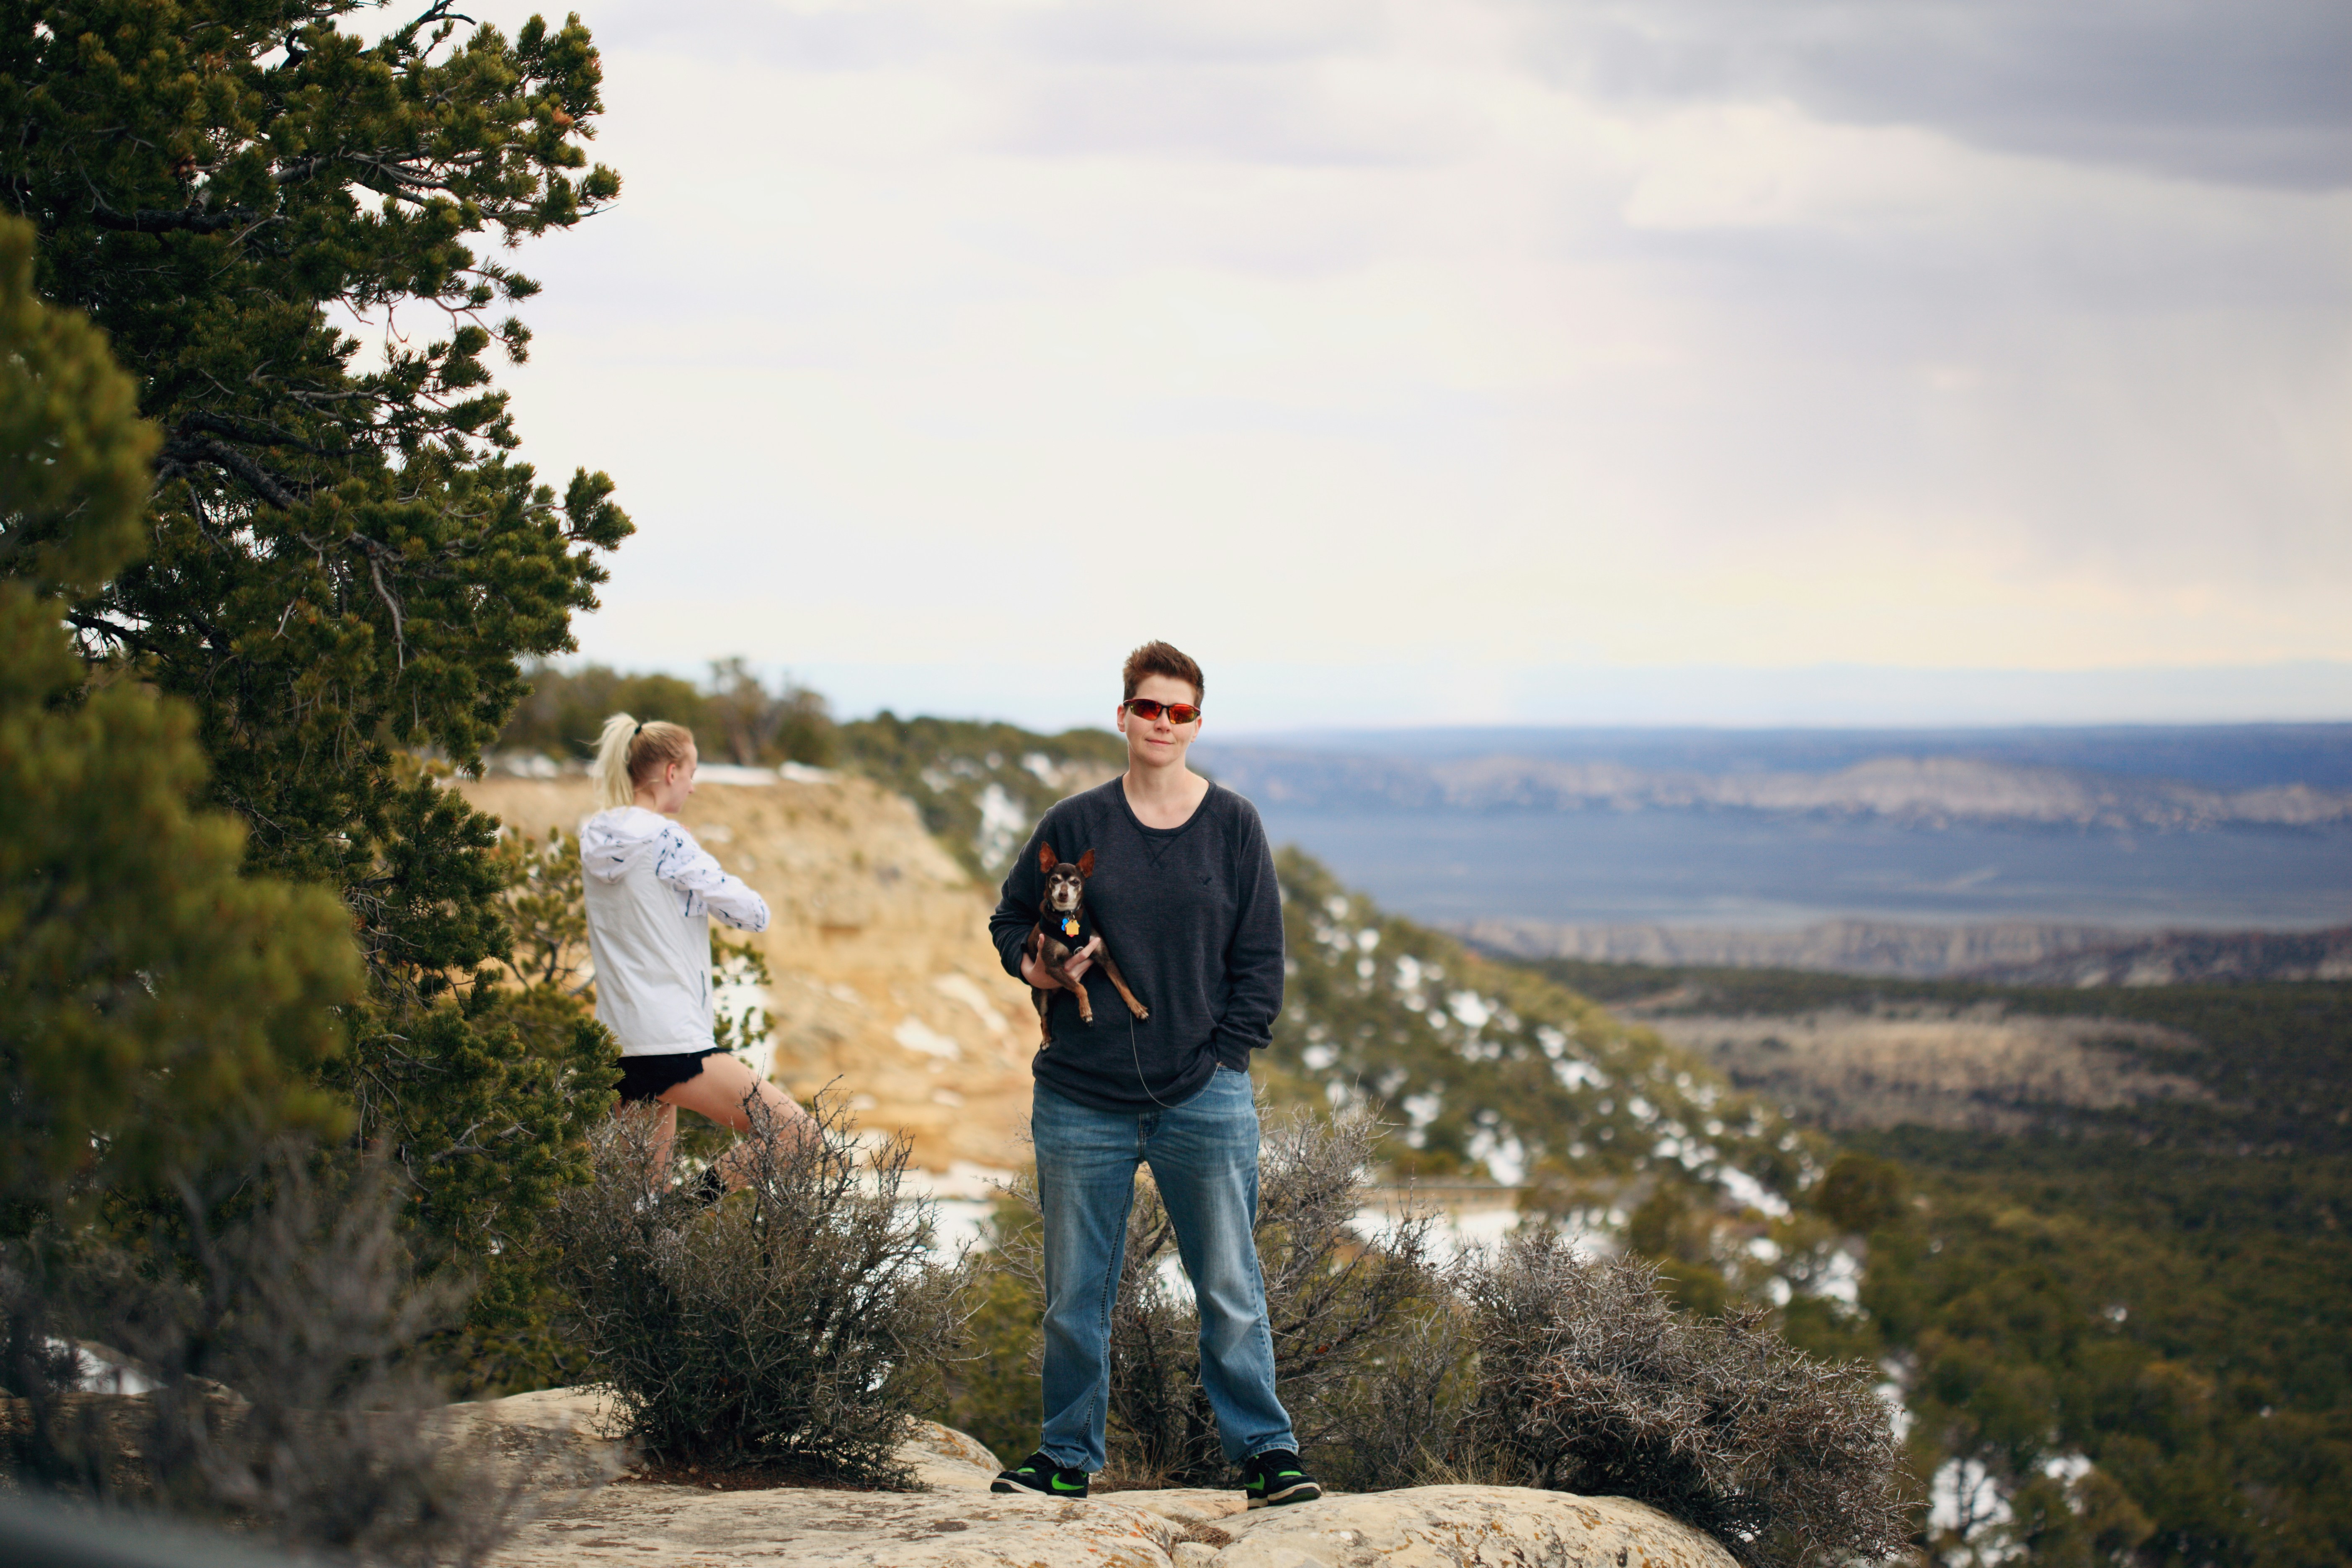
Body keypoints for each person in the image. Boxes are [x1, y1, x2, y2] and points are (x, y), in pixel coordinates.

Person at [985, 642, 1319, 1509]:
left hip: (1203, 1094)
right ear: (1123, 715)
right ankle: (1065, 1456)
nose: (1162, 723)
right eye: (1148, 707)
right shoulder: (1074, 822)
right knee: (1074, 1295)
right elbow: (1010, 918)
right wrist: (1036, 965)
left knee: (1230, 1286)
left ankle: (1267, 1455)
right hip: (1080, 1096)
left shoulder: (1233, 823)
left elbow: (1261, 959)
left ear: (1197, 724)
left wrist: (1226, 1058)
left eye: (1179, 712)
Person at [580, 713, 815, 1188]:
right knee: (798, 1136)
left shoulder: (595, 837)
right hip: (672, 1042)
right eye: (691, 773)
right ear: (671, 772)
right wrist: (695, 871)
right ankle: (687, 1207)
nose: (692, 786)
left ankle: (666, 1215)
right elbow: (753, 914)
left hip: (618, 1043)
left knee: (638, 1208)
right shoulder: (667, 839)